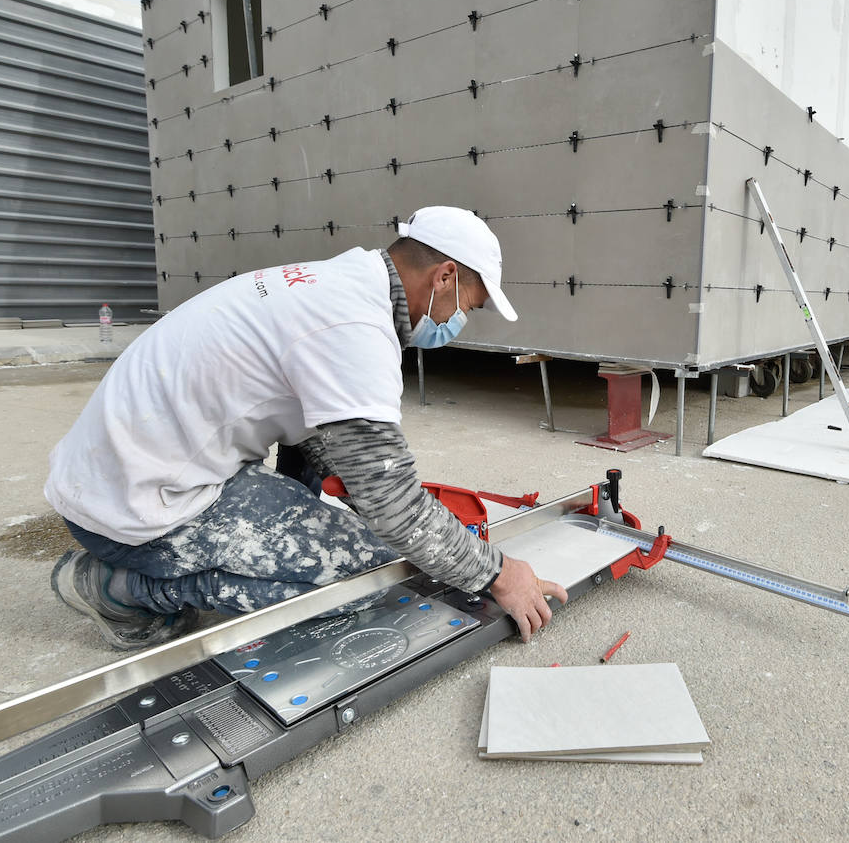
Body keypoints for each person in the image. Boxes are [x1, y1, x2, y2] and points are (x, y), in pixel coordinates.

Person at [44, 206, 567, 650]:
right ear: (445, 277)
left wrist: (365, 504)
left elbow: (328, 447)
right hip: (136, 507)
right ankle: (121, 587)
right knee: (370, 582)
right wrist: (497, 573)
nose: (458, 323)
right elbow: (392, 503)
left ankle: (195, 562)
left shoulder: (340, 282)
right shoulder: (353, 327)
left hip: (120, 474)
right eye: (467, 305)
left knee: (374, 542)